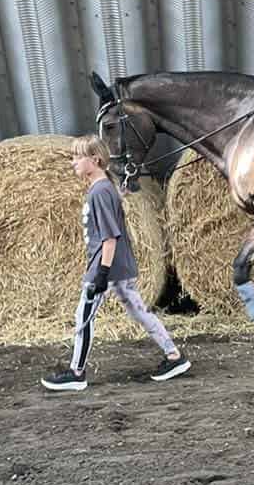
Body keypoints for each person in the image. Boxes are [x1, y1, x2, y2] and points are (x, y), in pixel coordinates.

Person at [41, 134, 190, 391]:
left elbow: (109, 237)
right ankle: (174, 356)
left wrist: (101, 274)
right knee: (139, 311)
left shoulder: (99, 191)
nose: (72, 162)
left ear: (95, 160)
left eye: (77, 157)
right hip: (120, 266)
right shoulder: (105, 186)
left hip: (106, 266)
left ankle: (77, 373)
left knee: (83, 317)